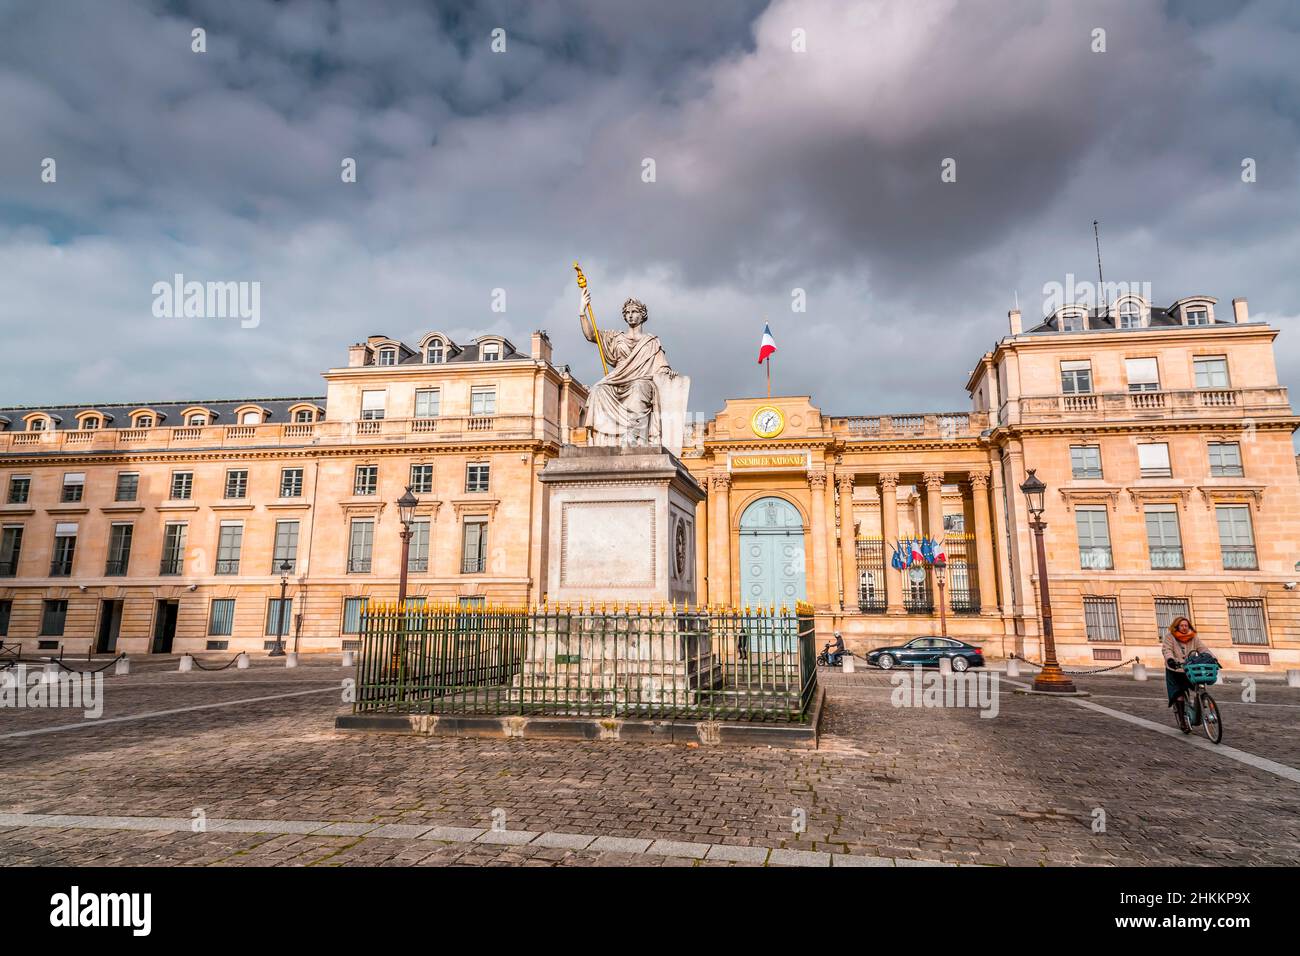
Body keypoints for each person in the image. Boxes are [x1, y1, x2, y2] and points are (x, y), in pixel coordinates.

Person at [1161, 616, 1213, 726]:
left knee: (1199, 686)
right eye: (1181, 626)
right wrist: (1170, 659)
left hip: (1190, 669)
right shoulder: (1170, 637)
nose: (1184, 628)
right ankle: (1182, 721)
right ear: (1177, 627)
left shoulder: (1193, 637)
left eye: (1186, 625)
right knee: (1178, 693)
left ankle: (1200, 706)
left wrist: (1212, 658)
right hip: (1175, 669)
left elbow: (1203, 648)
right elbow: (1167, 649)